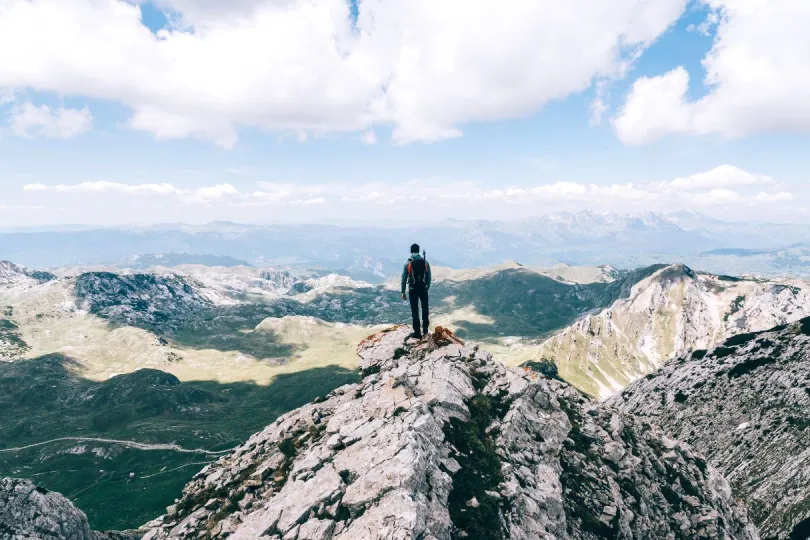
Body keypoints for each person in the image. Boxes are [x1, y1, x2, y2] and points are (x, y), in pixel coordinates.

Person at [401, 243, 431, 339]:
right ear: (418, 251)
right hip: (423, 288)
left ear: (411, 251)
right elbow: (429, 277)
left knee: (415, 310)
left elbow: (404, 278)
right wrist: (426, 288)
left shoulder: (407, 263)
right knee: (425, 308)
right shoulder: (425, 262)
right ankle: (425, 330)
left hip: (412, 289)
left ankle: (417, 332)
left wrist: (402, 291)